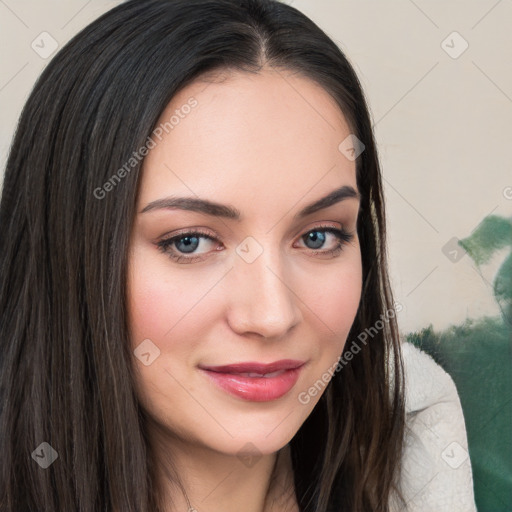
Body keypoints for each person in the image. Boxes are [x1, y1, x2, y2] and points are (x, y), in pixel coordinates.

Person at [0, 0, 476, 510]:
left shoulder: (423, 460)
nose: (272, 316)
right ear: (65, 253)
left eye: (318, 236)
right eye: (191, 241)